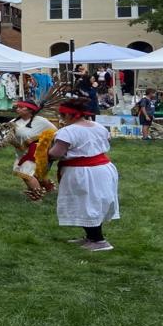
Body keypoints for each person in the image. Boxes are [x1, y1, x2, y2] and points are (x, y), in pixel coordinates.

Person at [46, 97, 119, 252]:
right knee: (92, 202)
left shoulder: (68, 131)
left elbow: (57, 153)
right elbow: (105, 143)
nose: (62, 119)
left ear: (70, 115)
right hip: (103, 169)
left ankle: (99, 241)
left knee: (86, 203)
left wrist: (44, 152)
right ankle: (91, 237)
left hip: (83, 171)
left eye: (63, 116)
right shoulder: (99, 126)